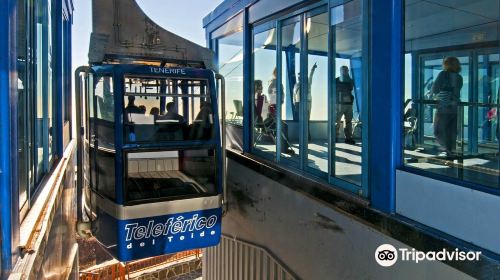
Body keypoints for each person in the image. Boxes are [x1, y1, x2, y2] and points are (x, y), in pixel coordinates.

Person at [431, 56, 463, 157]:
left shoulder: (443, 74)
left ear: (446, 64)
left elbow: (435, 90)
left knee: (438, 131)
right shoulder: (459, 77)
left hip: (443, 107)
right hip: (454, 108)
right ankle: (450, 153)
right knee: (451, 132)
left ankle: (447, 150)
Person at [266, 67, 294, 155]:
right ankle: (284, 148)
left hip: (274, 107)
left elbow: (271, 94)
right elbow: (277, 94)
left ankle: (282, 147)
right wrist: (279, 100)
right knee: (283, 126)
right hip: (276, 107)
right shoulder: (276, 82)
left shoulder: (271, 82)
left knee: (281, 125)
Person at [293, 62, 317, 139]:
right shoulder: (296, 85)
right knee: (301, 120)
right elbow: (294, 94)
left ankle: (307, 136)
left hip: (307, 103)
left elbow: (311, 76)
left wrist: (312, 69)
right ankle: (303, 135)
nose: (299, 77)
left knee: (306, 120)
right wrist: (294, 103)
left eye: (300, 75)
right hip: (298, 103)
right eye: (298, 76)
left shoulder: (308, 83)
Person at [335, 66, 355, 145]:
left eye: (347, 70)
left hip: (349, 104)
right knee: (336, 121)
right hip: (339, 104)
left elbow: (351, 88)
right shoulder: (336, 80)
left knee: (349, 122)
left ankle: (348, 138)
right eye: (344, 70)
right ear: (340, 71)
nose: (345, 71)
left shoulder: (350, 81)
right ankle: (335, 137)